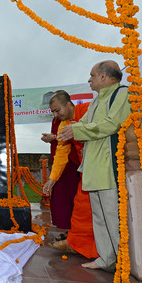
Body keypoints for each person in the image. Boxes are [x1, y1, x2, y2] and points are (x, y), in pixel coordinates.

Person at [58, 60, 131, 271]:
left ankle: (125, 264)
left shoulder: (122, 94)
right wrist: (66, 131)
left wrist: (77, 131)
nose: (89, 80)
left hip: (110, 166)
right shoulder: (97, 100)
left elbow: (111, 125)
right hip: (93, 165)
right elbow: (83, 124)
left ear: (103, 77)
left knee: (113, 217)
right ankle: (106, 259)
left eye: (92, 75)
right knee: (99, 217)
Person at [42, 91, 98, 260]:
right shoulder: (63, 124)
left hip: (102, 166)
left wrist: (78, 130)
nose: (56, 115)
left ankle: (99, 248)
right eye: (53, 112)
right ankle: (78, 244)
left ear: (68, 104)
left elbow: (102, 128)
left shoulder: (90, 110)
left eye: (57, 110)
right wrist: (52, 179)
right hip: (86, 170)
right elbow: (61, 153)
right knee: (81, 208)